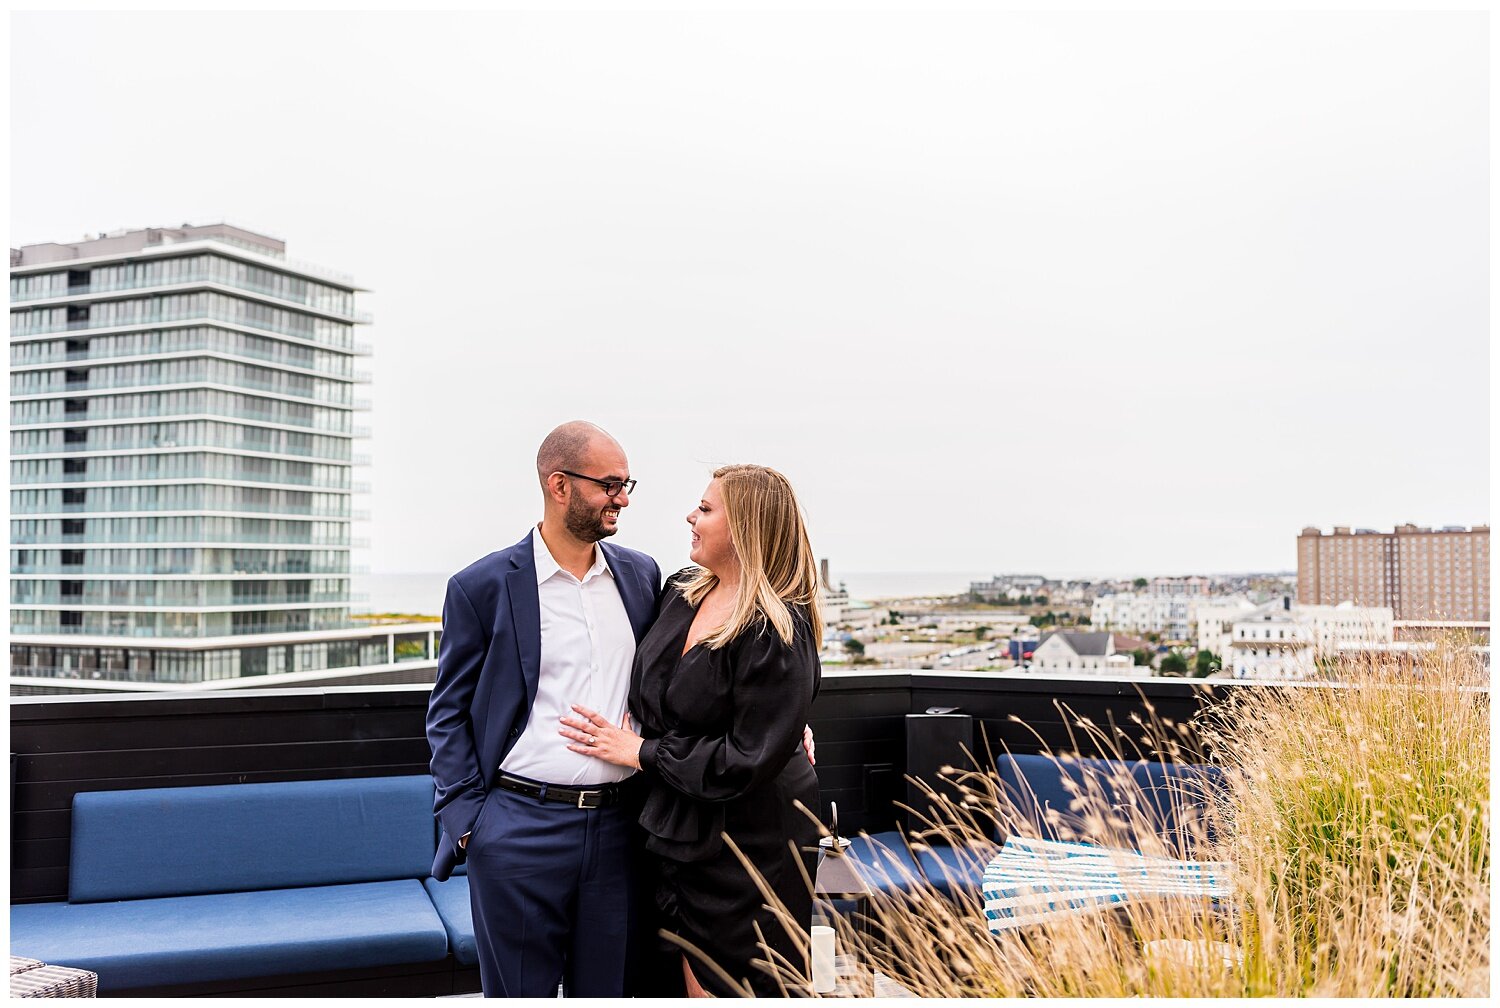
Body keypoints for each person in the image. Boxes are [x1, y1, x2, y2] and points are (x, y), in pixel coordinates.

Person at [560, 463, 823, 997]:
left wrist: (640, 753)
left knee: (729, 982)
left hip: (748, 843)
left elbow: (746, 759)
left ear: (746, 525)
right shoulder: (682, 591)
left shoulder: (778, 628)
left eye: (705, 508)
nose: (690, 516)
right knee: (669, 975)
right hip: (671, 825)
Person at [425, 420, 661, 998]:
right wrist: (469, 824)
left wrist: (782, 722)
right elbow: (447, 712)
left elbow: (682, 678)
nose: (623, 498)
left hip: (619, 828)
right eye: (609, 484)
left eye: (628, 483)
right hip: (517, 830)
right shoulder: (480, 586)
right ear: (559, 485)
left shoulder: (642, 576)